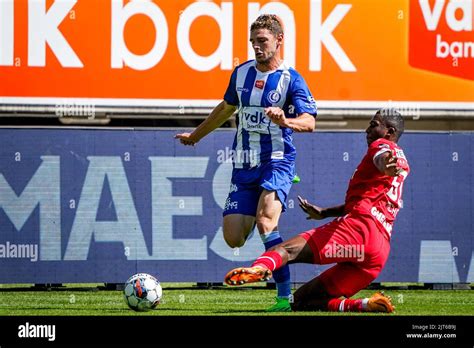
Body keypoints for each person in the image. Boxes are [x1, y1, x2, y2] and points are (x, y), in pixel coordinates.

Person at [175, 14, 317, 311]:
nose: (256, 47)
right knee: (233, 238)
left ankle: (283, 297)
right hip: (244, 164)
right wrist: (196, 136)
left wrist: (286, 120)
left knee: (268, 222)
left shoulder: (292, 79)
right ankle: (255, 216)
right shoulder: (241, 74)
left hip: (277, 161)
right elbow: (225, 108)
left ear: (279, 40)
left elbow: (309, 122)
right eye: (253, 41)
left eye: (262, 41)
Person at [224, 109, 410, 313]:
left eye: (374, 125)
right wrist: (324, 212)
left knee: (286, 251)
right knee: (301, 302)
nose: (367, 129)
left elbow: (382, 156)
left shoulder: (382, 146)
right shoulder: (400, 161)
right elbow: (366, 197)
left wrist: (385, 164)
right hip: (377, 252)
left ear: (389, 132)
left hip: (358, 231)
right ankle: (365, 304)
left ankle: (260, 268)